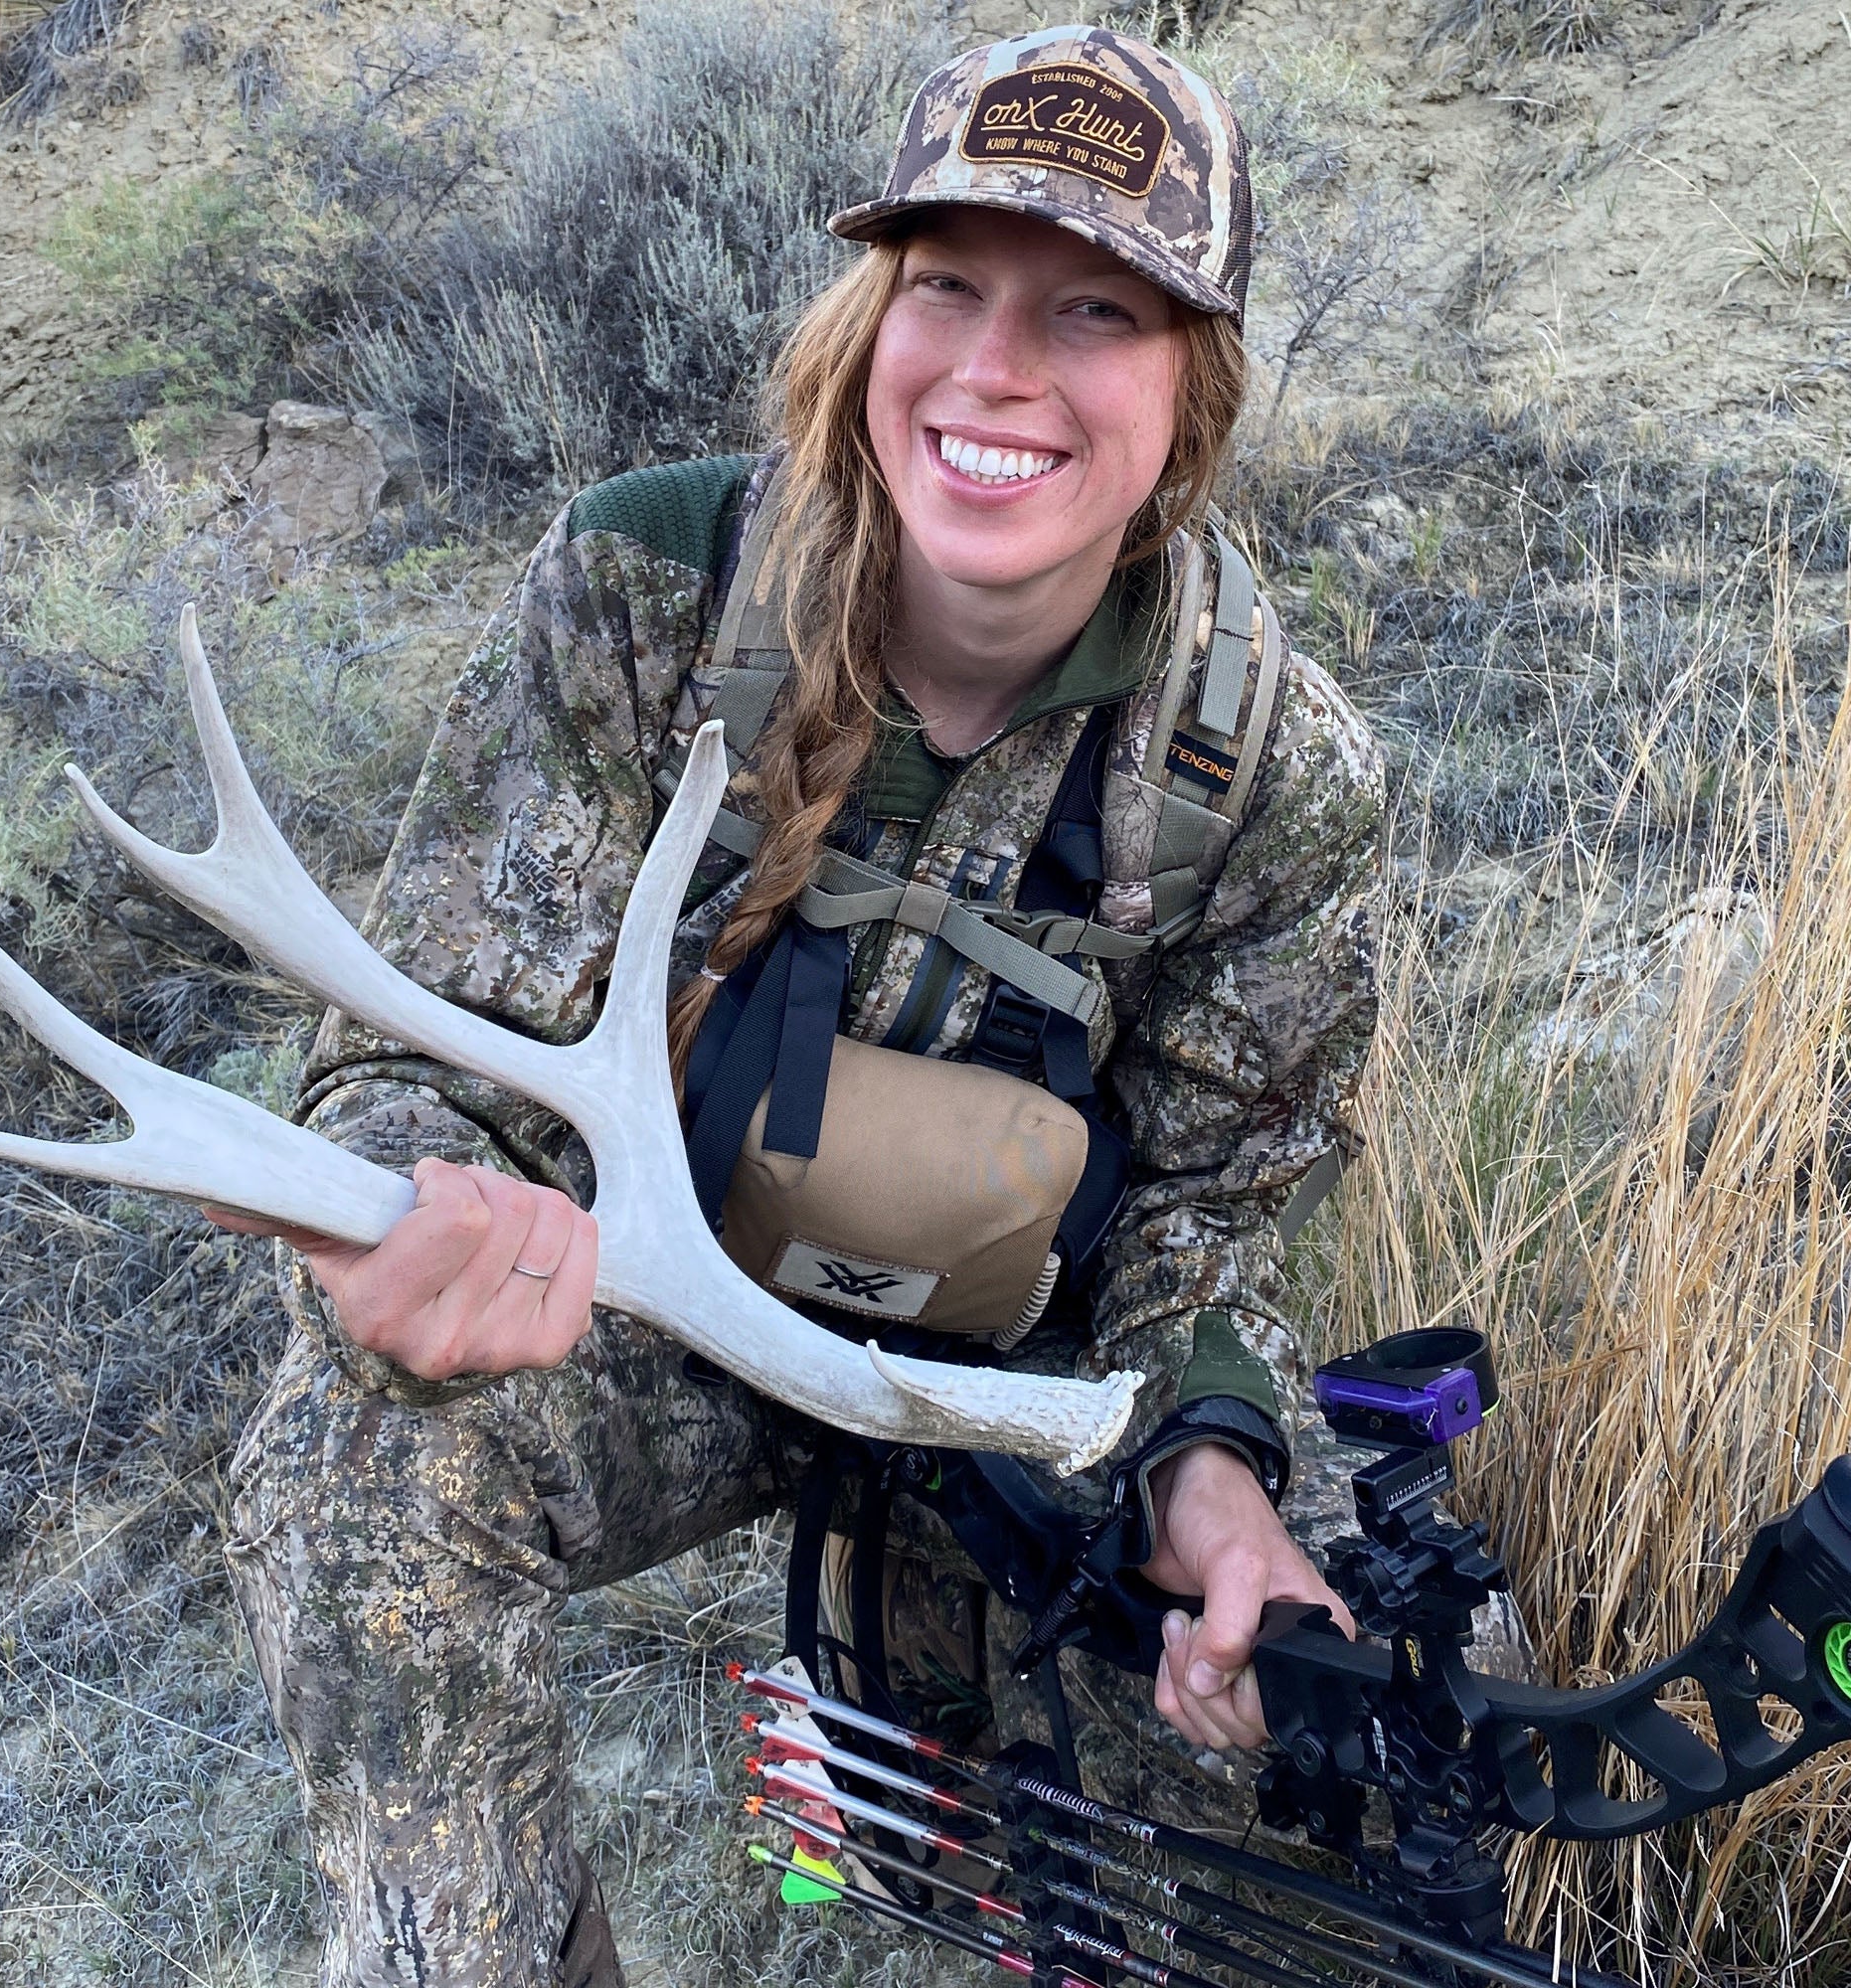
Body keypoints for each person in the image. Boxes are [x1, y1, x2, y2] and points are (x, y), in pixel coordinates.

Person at [217, 27, 1388, 1986]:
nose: (999, 368)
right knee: (360, 1467)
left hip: (1022, 1373)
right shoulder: (644, 587)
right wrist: (417, 1208)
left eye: (1095, 308)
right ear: (871, 317)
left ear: (1193, 390)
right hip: (652, 1307)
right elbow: (411, 1056)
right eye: (947, 285)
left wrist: (1213, 1471)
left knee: (1286, 1689)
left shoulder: (1275, 765)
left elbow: (1215, 1215)